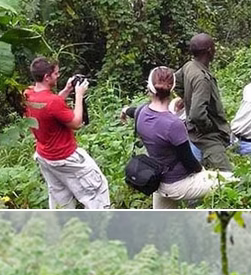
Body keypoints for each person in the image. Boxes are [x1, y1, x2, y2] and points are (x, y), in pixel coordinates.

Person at [122, 67, 234, 209]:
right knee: (232, 181)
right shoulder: (174, 124)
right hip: (176, 184)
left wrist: (124, 110)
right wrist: (204, 173)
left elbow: (132, 111)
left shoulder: (141, 112)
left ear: (149, 86)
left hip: (157, 180)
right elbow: (188, 160)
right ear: (173, 87)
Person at [23, 56, 110, 209]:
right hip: (65, 157)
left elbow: (48, 109)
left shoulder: (28, 94)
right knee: (97, 189)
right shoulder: (53, 102)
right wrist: (79, 94)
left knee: (60, 199)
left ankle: (63, 227)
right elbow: (76, 123)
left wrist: (67, 89)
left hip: (45, 156)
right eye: (56, 74)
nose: (58, 76)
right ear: (46, 76)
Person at [175, 33, 233, 171]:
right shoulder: (202, 79)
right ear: (209, 50)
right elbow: (197, 115)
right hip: (208, 137)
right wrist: (209, 127)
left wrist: (186, 98)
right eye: (213, 46)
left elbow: (176, 82)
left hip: (194, 132)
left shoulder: (189, 66)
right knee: (228, 177)